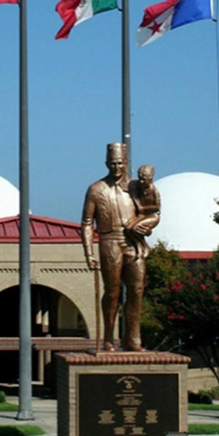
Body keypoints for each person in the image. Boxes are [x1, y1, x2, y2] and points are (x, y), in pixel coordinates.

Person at [80, 144, 159, 352]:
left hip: (133, 242)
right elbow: (87, 223)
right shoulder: (96, 189)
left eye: (120, 163)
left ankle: (132, 339)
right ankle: (108, 337)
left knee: (136, 290)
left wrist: (145, 225)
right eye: (113, 163)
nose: (116, 167)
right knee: (112, 292)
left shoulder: (135, 187)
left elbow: (153, 211)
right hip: (109, 241)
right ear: (107, 164)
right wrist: (88, 252)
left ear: (126, 164)